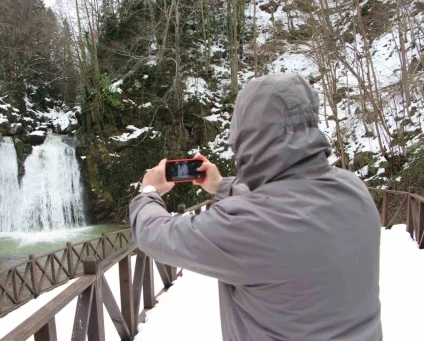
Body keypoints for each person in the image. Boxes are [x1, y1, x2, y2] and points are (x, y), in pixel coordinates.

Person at [129, 73, 382, 341]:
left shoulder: (247, 223)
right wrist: (220, 185)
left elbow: (154, 235)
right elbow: (288, 193)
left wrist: (149, 191)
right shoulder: (354, 189)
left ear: (246, 136)